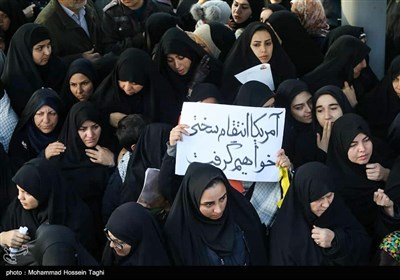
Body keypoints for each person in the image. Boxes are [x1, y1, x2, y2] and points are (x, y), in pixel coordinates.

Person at [163, 162, 268, 265]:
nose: (218, 210)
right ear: (193, 202)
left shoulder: (243, 215)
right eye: (209, 204)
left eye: (222, 199)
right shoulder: (179, 233)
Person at [326, 113, 400, 258]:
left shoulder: (384, 156)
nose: (362, 149)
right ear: (341, 146)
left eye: (366, 140)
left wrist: (387, 175)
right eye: (353, 144)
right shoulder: (333, 185)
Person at [268, 161, 370, 265]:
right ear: (304, 197)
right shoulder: (284, 238)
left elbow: (364, 245)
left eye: (329, 196)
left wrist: (336, 240)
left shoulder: (336, 209)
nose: (326, 204)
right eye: (319, 199)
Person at [50, 101, 115, 260]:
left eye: (95, 127)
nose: (90, 135)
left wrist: (113, 163)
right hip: (74, 235)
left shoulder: (110, 150)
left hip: (106, 232)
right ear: (73, 129)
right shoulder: (58, 158)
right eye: (82, 129)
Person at [0, 158, 95, 265]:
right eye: (18, 190)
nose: (20, 197)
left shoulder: (76, 215)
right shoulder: (16, 209)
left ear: (43, 190)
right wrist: (3, 238)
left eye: (27, 193)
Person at [221, 21, 296, 104]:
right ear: (247, 46)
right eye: (256, 45)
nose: (263, 49)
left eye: (268, 43)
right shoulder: (233, 74)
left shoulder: (285, 69)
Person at [1, 23, 66, 116]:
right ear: (25, 51)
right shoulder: (12, 81)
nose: (47, 52)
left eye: (48, 45)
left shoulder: (57, 67)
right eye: (40, 48)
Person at [8, 88, 65, 167]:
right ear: (32, 115)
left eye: (52, 113)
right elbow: (18, 174)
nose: (46, 120)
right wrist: (43, 156)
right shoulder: (21, 139)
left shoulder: (67, 134)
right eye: (40, 114)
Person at [102, 202, 170, 266]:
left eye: (118, 242)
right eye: (109, 238)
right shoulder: (111, 255)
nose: (111, 245)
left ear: (137, 241)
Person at [102, 0, 173, 55]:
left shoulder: (162, 10)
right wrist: (140, 39)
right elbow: (109, 48)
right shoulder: (111, 14)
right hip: (129, 62)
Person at [267, 10, 324, 77]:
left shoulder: (311, 60)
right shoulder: (275, 57)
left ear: (285, 31)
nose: (269, 34)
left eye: (273, 30)